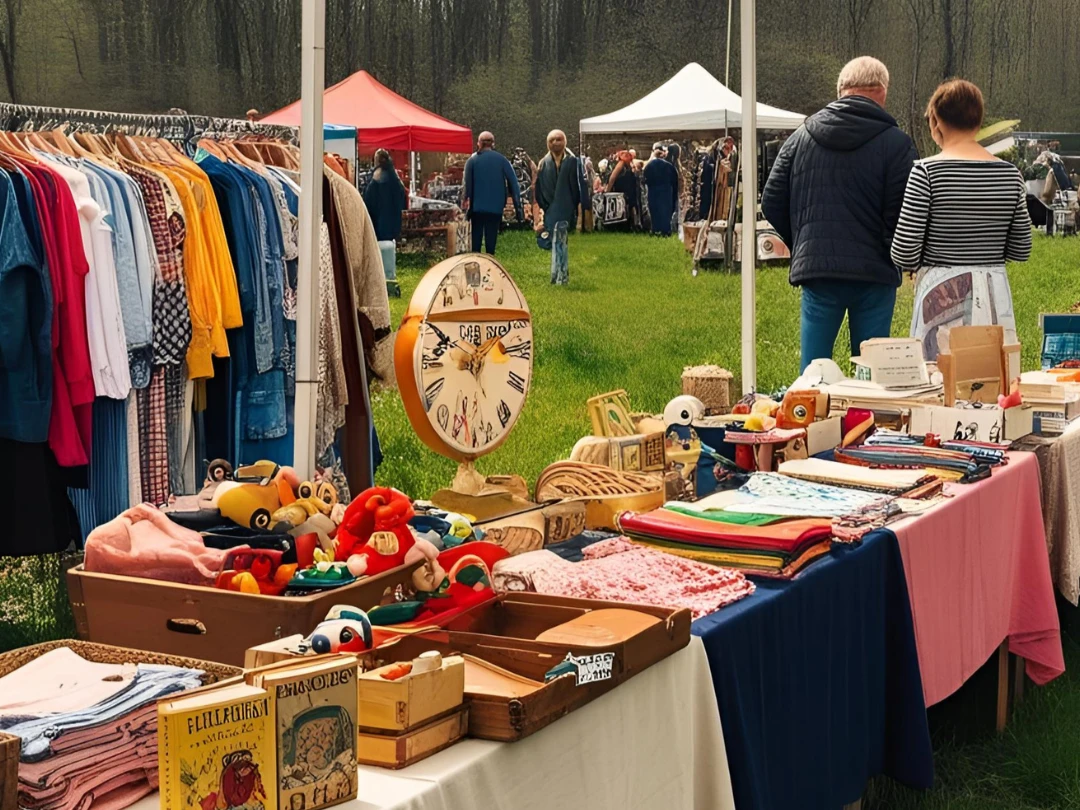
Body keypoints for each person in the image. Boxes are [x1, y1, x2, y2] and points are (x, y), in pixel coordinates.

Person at [762, 56, 918, 372]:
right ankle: (865, 420)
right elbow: (904, 211)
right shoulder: (898, 144)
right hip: (875, 272)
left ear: (840, 90)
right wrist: (892, 252)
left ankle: (811, 418)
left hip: (819, 268)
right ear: (883, 92)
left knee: (813, 373)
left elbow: (771, 200)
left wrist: (803, 239)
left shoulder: (800, 138)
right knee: (872, 372)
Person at [891, 79, 1032, 359]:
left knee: (941, 382)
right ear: (978, 122)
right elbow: (1021, 249)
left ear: (936, 121)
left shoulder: (925, 173)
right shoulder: (1009, 174)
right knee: (993, 379)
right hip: (994, 292)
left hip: (942, 293)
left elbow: (905, 252)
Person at [463, 131, 522, 255]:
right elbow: (514, 183)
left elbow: (467, 186)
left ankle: (476, 262)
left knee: (476, 241)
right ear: (493, 144)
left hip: (476, 209)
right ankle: (490, 263)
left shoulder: (472, 160)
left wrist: (464, 207)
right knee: (491, 241)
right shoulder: (502, 160)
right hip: (495, 208)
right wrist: (518, 208)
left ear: (479, 143)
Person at [535, 129, 582, 250]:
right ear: (547, 143)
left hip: (567, 207)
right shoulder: (543, 163)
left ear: (565, 142)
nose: (555, 142)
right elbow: (538, 189)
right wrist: (543, 209)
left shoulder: (573, 162)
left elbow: (578, 187)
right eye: (552, 140)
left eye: (559, 139)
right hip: (549, 208)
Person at [362, 149, 407, 242]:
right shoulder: (394, 177)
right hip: (393, 225)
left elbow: (368, 201)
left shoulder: (375, 178)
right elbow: (402, 198)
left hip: (378, 225)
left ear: (376, 161)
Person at [643, 143, 679, 236]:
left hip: (653, 190)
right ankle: (666, 230)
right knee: (665, 210)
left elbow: (645, 176)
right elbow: (674, 180)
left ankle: (655, 229)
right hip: (666, 190)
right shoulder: (669, 166)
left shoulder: (650, 165)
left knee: (655, 210)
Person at [606, 150, 641, 230]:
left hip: (624, 189)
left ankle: (630, 224)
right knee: (629, 206)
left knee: (628, 206)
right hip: (627, 190)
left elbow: (613, 177)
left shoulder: (623, 164)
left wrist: (608, 190)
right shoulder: (625, 165)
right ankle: (630, 225)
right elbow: (613, 177)